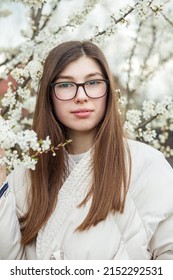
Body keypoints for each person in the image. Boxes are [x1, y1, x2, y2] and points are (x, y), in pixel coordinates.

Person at [0, 40, 173, 260]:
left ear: (108, 90)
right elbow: (10, 266)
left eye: (92, 82)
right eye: (65, 84)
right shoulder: (25, 177)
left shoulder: (146, 166)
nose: (81, 96)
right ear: (48, 95)